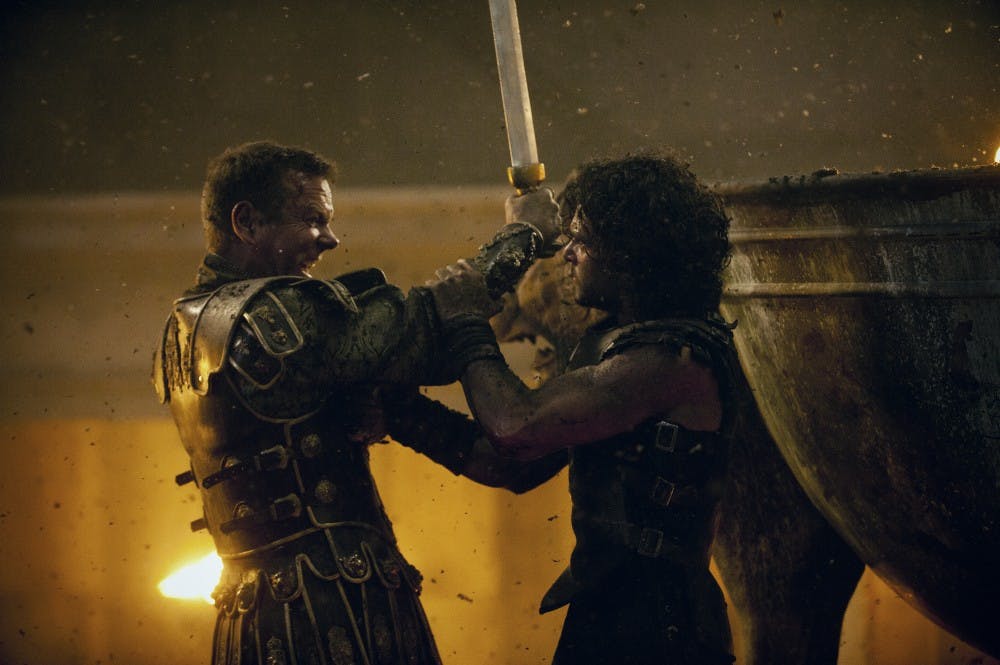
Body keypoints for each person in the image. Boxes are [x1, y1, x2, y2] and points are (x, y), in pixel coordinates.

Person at [151, 140, 567, 665]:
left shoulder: (183, 329)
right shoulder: (270, 318)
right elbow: (430, 322)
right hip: (333, 610)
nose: (331, 239)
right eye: (312, 220)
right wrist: (523, 235)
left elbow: (498, 459)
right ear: (247, 223)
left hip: (253, 620)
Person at [429, 152, 740, 664]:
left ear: (627, 253)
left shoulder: (672, 358)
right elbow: (510, 464)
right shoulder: (612, 343)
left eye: (582, 240)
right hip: (608, 614)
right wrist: (404, 416)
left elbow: (515, 427)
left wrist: (464, 320)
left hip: (660, 627)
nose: (569, 254)